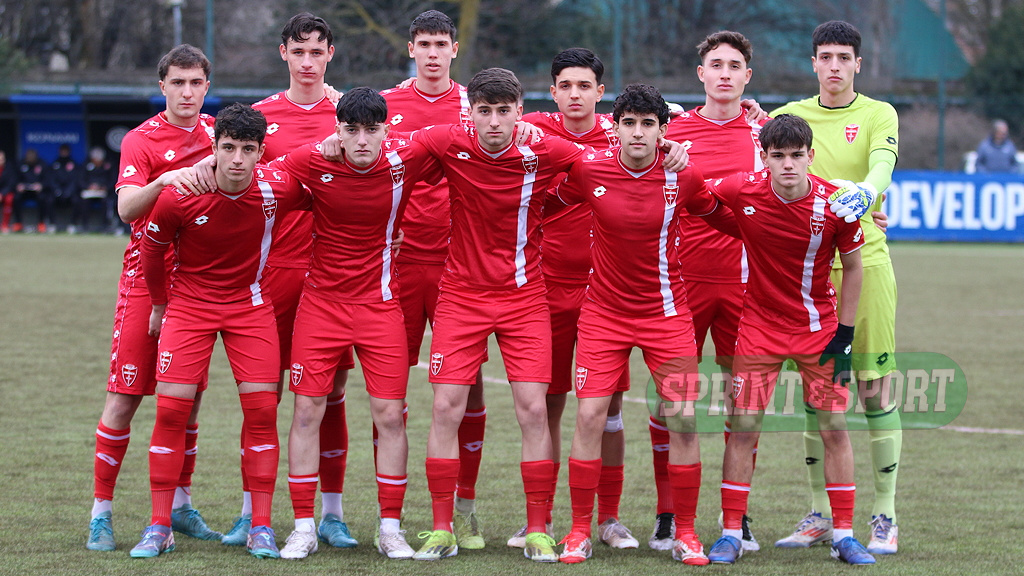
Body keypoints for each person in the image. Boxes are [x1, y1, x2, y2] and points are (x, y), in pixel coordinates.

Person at [407, 67, 587, 563]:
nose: (493, 122)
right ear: (470, 113)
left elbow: (603, 162)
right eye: (483, 111)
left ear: (518, 112)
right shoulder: (447, 141)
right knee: (445, 408)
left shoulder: (544, 149)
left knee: (534, 410)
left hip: (523, 300)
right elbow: (386, 155)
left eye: (503, 112)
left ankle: (538, 529)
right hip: (461, 296)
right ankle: (442, 528)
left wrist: (669, 144)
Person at [553, 83, 737, 566]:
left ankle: (687, 534)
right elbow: (542, 205)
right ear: (615, 128)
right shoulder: (588, 168)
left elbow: (725, 217)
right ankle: (578, 530)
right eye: (629, 123)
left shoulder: (684, 175)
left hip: (666, 315)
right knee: (590, 417)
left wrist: (784, 229)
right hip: (603, 315)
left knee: (683, 421)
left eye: (648, 124)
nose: (638, 132)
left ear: (662, 130)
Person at [274, 87, 442, 560]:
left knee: (389, 415)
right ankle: (303, 527)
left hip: (380, 306)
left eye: (371, 130)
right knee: (307, 411)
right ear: (338, 131)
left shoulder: (406, 157)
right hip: (321, 307)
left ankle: (390, 528)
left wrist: (525, 126)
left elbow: (460, 139)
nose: (362, 140)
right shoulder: (312, 159)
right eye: (352, 131)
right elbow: (259, 175)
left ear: (387, 129)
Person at [131, 102, 301, 560]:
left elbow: (334, 194)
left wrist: (385, 234)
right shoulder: (180, 194)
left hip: (250, 307)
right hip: (189, 307)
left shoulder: (279, 187)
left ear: (261, 151)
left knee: (262, 412)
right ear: (214, 147)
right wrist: (160, 305)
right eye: (228, 148)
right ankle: (160, 525)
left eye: (247, 149)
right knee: (171, 412)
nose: (237, 159)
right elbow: (152, 252)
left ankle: (260, 526)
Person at [702, 113, 873, 566]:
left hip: (819, 329)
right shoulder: (742, 189)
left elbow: (855, 268)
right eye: (778, 156)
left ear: (811, 156)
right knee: (744, 426)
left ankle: (844, 535)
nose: (788, 165)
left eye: (797, 155)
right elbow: (696, 193)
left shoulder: (835, 204)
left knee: (834, 427)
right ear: (764, 158)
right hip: (759, 327)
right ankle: (731, 533)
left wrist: (846, 336)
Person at [771, 20, 902, 555]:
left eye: (843, 57)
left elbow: (882, 165)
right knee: (817, 394)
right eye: (825, 56)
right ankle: (820, 514)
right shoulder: (790, 115)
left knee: (873, 388)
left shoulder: (879, 113)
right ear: (813, 63)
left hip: (865, 263)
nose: (834, 66)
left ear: (857, 64)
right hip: (807, 271)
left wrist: (866, 194)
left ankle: (885, 515)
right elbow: (767, 164)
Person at [229, 12, 357, 550]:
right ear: (283, 53)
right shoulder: (260, 117)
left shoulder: (351, 115)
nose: (307, 62)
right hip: (272, 273)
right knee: (264, 396)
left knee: (332, 393)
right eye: (298, 51)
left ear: (330, 55)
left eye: (316, 52)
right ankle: (250, 513)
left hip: (333, 276)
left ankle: (332, 514)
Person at [85, 44, 220, 553]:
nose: (187, 92)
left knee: (188, 401)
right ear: (162, 86)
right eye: (177, 83)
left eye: (195, 83)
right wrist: (163, 180)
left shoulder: (219, 134)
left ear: (207, 87)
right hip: (147, 279)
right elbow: (126, 209)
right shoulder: (141, 140)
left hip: (200, 285)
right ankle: (101, 514)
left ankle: (180, 506)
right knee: (123, 398)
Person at [510, 47, 638, 551]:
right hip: (545, 288)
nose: (575, 94)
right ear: (553, 91)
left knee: (608, 408)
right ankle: (538, 517)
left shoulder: (622, 133)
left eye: (585, 86)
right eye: (566, 86)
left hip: (607, 292)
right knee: (548, 403)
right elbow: (473, 122)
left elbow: (676, 138)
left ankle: (609, 518)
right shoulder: (533, 131)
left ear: (600, 92)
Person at [651, 30, 767, 553]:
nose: (724, 73)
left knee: (744, 406)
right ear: (701, 74)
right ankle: (668, 513)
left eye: (734, 65)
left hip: (746, 287)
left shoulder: (766, 133)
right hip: (679, 286)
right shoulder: (672, 130)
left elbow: (802, 186)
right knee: (671, 403)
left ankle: (735, 517)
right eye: (715, 64)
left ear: (747, 76)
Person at [380, 10, 488, 550]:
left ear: (454, 49)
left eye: (441, 44)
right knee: (388, 392)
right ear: (411, 49)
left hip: (458, 268)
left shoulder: (476, 106)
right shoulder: (384, 106)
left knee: (467, 392)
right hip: (397, 267)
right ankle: (391, 519)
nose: (432, 53)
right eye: (423, 44)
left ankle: (463, 511)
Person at [74, 147, 116, 233]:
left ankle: (105, 226)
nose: (97, 162)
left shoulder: (107, 166)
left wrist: (105, 187)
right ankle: (84, 225)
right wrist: (88, 186)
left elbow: (112, 180)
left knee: (106, 202)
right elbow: (80, 180)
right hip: (89, 192)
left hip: (104, 193)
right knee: (83, 202)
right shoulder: (86, 165)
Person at [12, 148, 51, 233]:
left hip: (37, 192)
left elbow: (48, 180)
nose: (30, 159)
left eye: (32, 157)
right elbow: (14, 179)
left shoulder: (42, 164)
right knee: (16, 198)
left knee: (43, 198)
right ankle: (18, 223)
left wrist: (41, 185)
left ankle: (41, 223)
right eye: (29, 157)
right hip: (24, 191)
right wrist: (18, 185)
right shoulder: (20, 164)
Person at [51, 143, 80, 232]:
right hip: (57, 191)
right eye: (62, 151)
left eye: (65, 151)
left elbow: (75, 180)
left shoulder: (73, 164)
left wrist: (69, 191)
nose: (64, 153)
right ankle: (52, 224)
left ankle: (73, 224)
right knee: (48, 200)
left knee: (77, 200)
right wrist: (57, 190)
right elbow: (51, 179)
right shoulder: (55, 164)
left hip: (70, 192)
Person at [0, 150, 15, 233]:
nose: (1, 161)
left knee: (9, 199)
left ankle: (5, 225)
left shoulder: (9, 168)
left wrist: (2, 194)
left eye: (2, 159)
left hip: (5, 192)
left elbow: (11, 183)